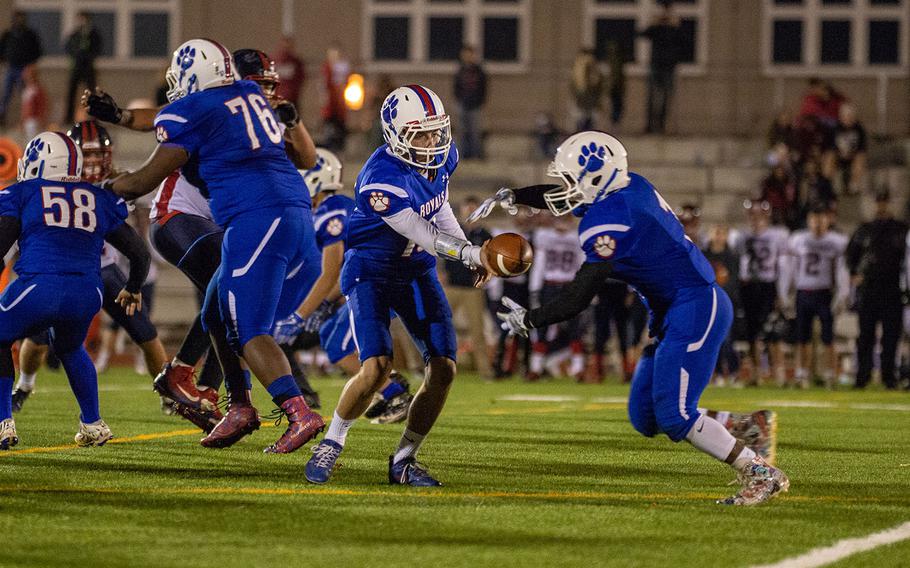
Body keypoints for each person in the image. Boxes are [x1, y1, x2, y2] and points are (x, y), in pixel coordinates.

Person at [474, 131, 788, 506]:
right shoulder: (628, 185)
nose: (567, 189)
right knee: (646, 417)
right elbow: (562, 197)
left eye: (573, 179)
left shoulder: (609, 222)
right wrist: (516, 195)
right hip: (674, 309)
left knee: (674, 415)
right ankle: (746, 425)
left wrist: (532, 319)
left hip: (696, 306)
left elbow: (579, 295)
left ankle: (760, 472)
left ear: (595, 179)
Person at [101, 38, 324, 454]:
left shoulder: (198, 107)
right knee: (219, 307)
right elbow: (304, 159)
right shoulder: (250, 102)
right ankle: (235, 402)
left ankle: (297, 411)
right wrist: (122, 116)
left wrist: (106, 186)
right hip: (291, 214)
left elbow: (146, 177)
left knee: (250, 329)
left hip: (255, 219)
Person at [302, 84, 495, 486]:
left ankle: (404, 460)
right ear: (394, 134)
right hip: (372, 271)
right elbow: (423, 232)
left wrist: (468, 249)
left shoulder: (443, 158)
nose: (431, 142)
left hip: (416, 272)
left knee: (444, 368)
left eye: (434, 131)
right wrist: (472, 254)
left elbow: (438, 207)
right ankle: (333, 440)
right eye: (420, 134)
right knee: (375, 368)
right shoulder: (379, 180)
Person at [0, 131, 149, 449]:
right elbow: (139, 252)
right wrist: (134, 286)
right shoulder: (96, 196)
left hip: (39, 285)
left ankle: (3, 422)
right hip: (87, 293)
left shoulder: (25, 192)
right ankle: (93, 423)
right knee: (69, 348)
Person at [779, 205, 849, 388]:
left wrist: (842, 294)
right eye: (814, 218)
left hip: (824, 292)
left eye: (821, 218)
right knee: (803, 337)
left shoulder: (837, 241)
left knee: (828, 338)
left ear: (828, 220)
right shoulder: (798, 239)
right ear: (809, 220)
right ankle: (802, 374)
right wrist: (786, 292)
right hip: (804, 291)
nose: (818, 223)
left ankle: (830, 374)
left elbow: (841, 269)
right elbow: (790, 268)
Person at [846, 189, 908, 390]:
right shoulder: (864, 229)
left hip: (892, 288)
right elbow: (851, 256)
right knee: (866, 335)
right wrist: (854, 274)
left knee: (891, 335)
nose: (882, 206)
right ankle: (862, 376)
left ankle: (889, 377)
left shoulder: (901, 229)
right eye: (879, 202)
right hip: (869, 288)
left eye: (885, 202)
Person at [735, 200, 790, 385]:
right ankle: (756, 373)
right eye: (752, 215)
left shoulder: (777, 235)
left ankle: (778, 372)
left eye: (759, 216)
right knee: (751, 332)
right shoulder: (741, 236)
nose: (755, 220)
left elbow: (781, 266)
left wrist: (781, 292)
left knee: (773, 331)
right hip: (749, 285)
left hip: (768, 285)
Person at [439, 196, 492, 378]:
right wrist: (441, 272)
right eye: (467, 209)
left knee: (478, 331)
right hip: (452, 286)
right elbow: (441, 252)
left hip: (472, 289)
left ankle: (485, 371)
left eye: (473, 209)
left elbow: (490, 261)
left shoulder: (484, 234)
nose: (470, 212)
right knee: (439, 324)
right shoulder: (454, 230)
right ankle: (435, 366)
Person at [527, 214, 585, 380]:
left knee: (575, 327)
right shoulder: (544, 235)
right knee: (542, 327)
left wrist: (584, 289)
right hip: (550, 285)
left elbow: (582, 264)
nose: (562, 222)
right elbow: (539, 263)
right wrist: (535, 289)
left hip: (569, 286)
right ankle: (536, 367)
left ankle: (578, 368)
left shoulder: (577, 237)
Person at [639, 3, 683, 134]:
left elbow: (684, 41)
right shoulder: (656, 28)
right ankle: (650, 125)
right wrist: (654, 22)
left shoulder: (674, 29)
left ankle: (661, 125)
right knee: (652, 96)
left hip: (668, 66)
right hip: (656, 65)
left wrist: (675, 25)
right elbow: (642, 34)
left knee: (665, 96)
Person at [0, 12, 42, 126]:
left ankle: (25, 119)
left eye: (21, 18)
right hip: (11, 67)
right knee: (6, 94)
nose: (19, 21)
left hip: (24, 69)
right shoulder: (8, 34)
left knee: (26, 95)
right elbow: (2, 49)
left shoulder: (30, 35)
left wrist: (30, 65)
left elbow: (37, 51)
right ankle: (2, 116)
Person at [64, 12, 102, 124]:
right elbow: (68, 47)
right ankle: (69, 117)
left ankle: (94, 116)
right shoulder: (75, 34)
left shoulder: (93, 35)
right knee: (72, 92)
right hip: (77, 66)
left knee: (91, 93)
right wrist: (76, 56)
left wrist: (89, 57)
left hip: (88, 67)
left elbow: (97, 48)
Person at [453, 45, 487, 160]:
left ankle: (476, 155)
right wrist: (459, 99)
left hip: (475, 105)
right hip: (463, 104)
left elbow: (483, 88)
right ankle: (462, 155)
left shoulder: (479, 71)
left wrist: (479, 101)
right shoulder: (460, 70)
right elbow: (456, 86)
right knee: (462, 131)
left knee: (475, 131)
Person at [832, 103, 867, 195]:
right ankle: (830, 184)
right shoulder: (835, 129)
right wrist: (839, 153)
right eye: (846, 116)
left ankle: (854, 185)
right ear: (841, 117)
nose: (849, 119)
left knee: (860, 158)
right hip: (838, 156)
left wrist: (852, 153)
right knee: (829, 157)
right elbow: (831, 146)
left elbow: (862, 147)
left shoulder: (859, 129)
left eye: (851, 116)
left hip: (853, 156)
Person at [321, 45, 350, 151]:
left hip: (341, 109)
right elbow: (325, 88)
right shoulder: (327, 69)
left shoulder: (343, 68)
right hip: (330, 109)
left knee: (340, 136)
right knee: (330, 136)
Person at [570, 49, 603, 131]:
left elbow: (598, 88)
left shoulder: (594, 72)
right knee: (581, 124)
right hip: (582, 104)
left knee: (588, 125)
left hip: (589, 104)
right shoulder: (578, 71)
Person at [273, 36, 305, 108]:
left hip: (291, 99)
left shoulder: (296, 62)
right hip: (277, 99)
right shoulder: (274, 61)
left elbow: (301, 78)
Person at [20, 65, 47, 139]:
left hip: (34, 121)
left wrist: (41, 119)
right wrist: (22, 120)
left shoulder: (37, 89)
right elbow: (24, 107)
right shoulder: (27, 89)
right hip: (27, 120)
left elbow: (42, 105)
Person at [605, 40, 626, 128]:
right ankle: (614, 123)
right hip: (615, 87)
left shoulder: (615, 61)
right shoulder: (615, 62)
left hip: (616, 87)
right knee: (616, 106)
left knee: (617, 106)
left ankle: (615, 123)